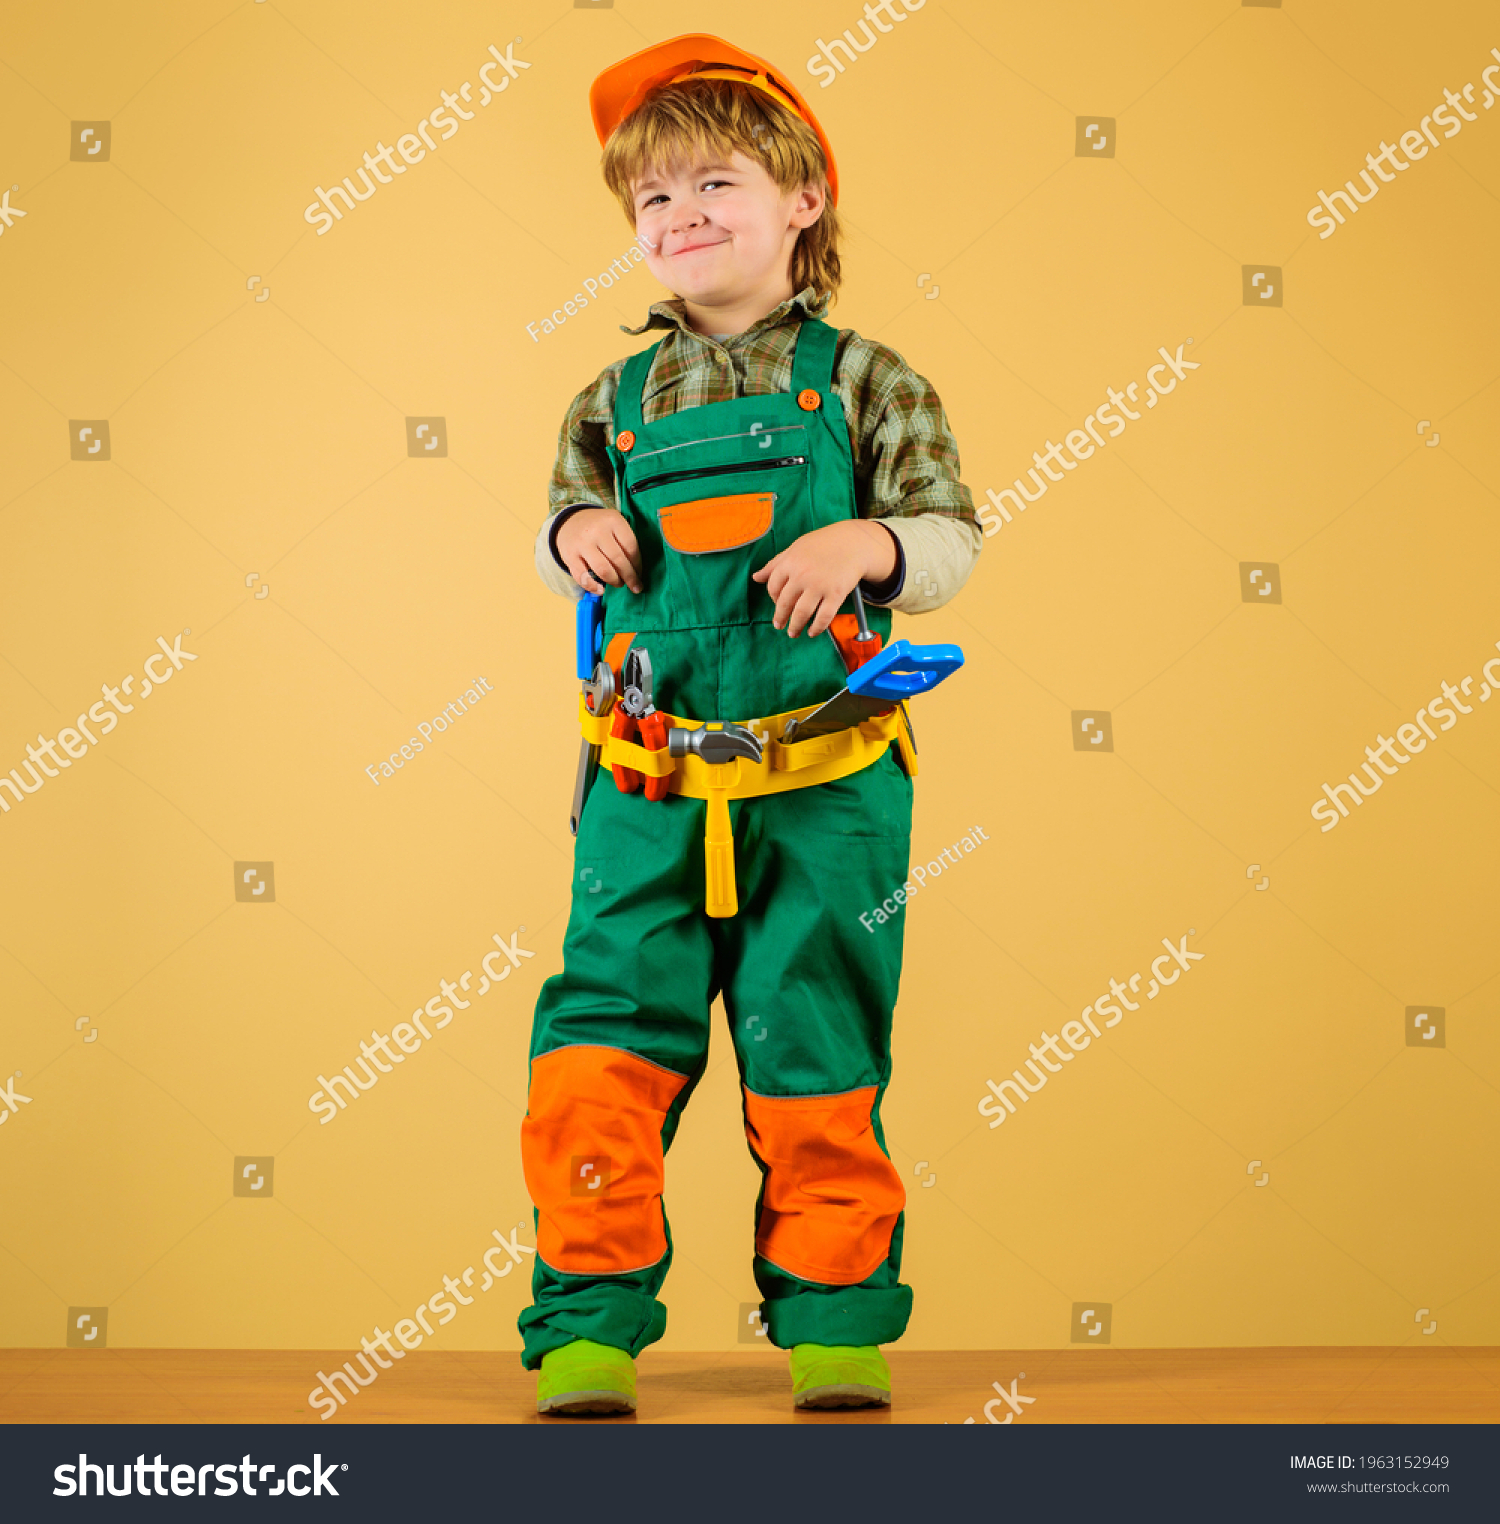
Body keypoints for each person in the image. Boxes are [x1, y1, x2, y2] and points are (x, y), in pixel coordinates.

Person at [519, 34, 981, 1416]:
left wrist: (870, 548)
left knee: (817, 1034)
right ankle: (586, 1324)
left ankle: (839, 1319)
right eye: (652, 201)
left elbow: (949, 538)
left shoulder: (865, 379)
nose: (681, 217)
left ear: (804, 202)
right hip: (645, 784)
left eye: (713, 182)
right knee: (605, 1034)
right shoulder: (609, 401)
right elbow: (555, 550)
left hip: (827, 780)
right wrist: (576, 531)